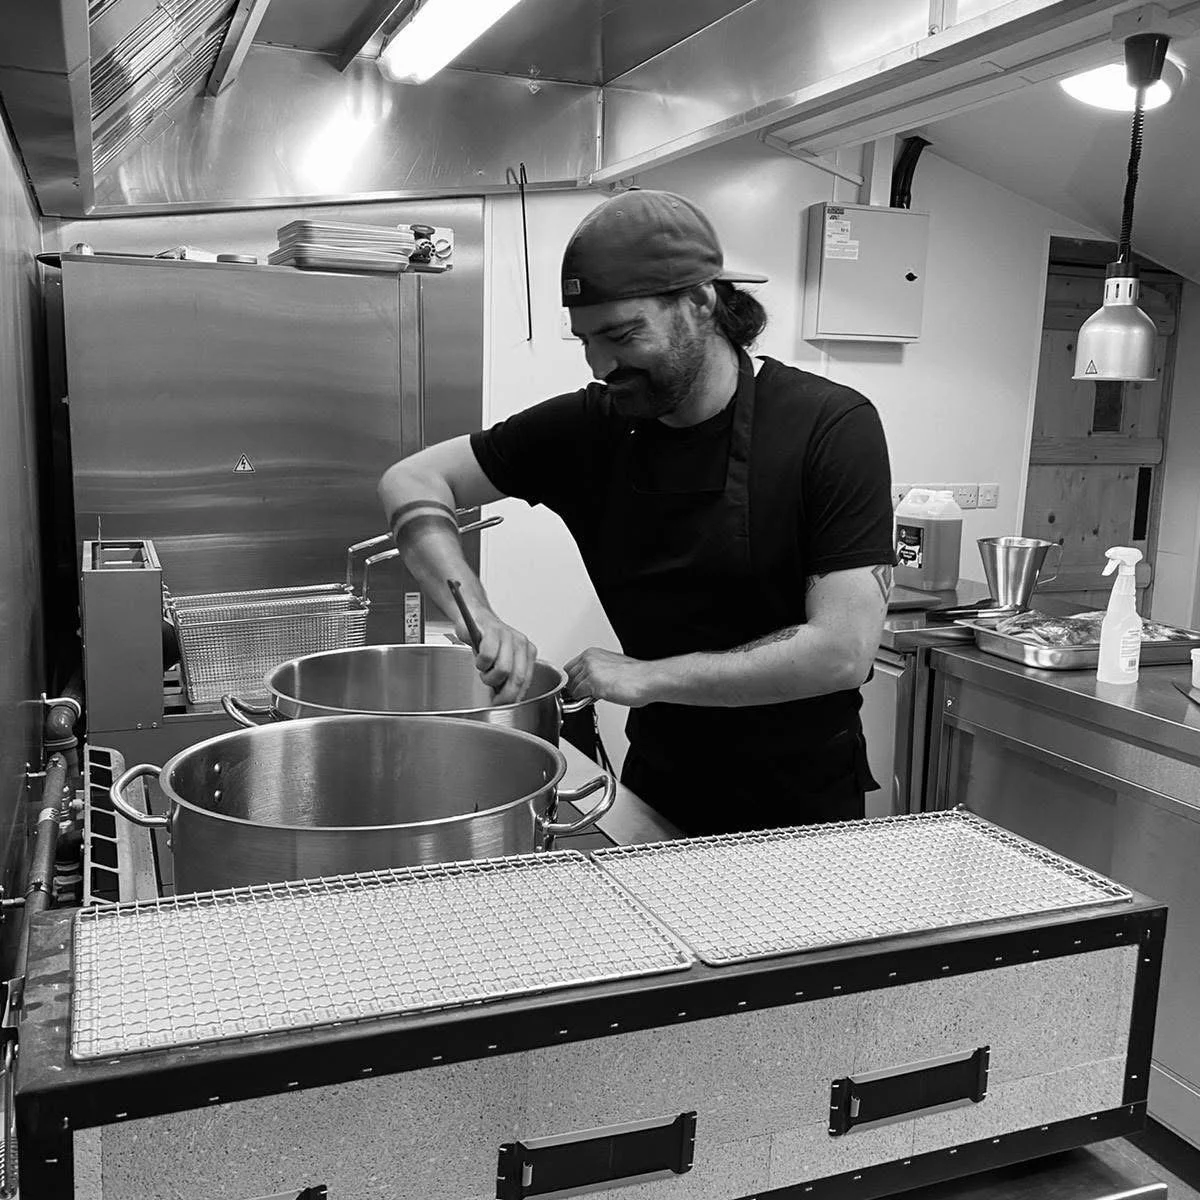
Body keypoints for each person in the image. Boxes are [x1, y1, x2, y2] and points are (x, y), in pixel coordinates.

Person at [378, 189, 895, 836]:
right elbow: (412, 479)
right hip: (660, 788)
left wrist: (644, 678)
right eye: (586, 341)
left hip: (803, 813)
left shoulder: (828, 428)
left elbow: (841, 651)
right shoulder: (592, 428)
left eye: (622, 335)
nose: (602, 365)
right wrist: (475, 614)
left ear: (701, 304)